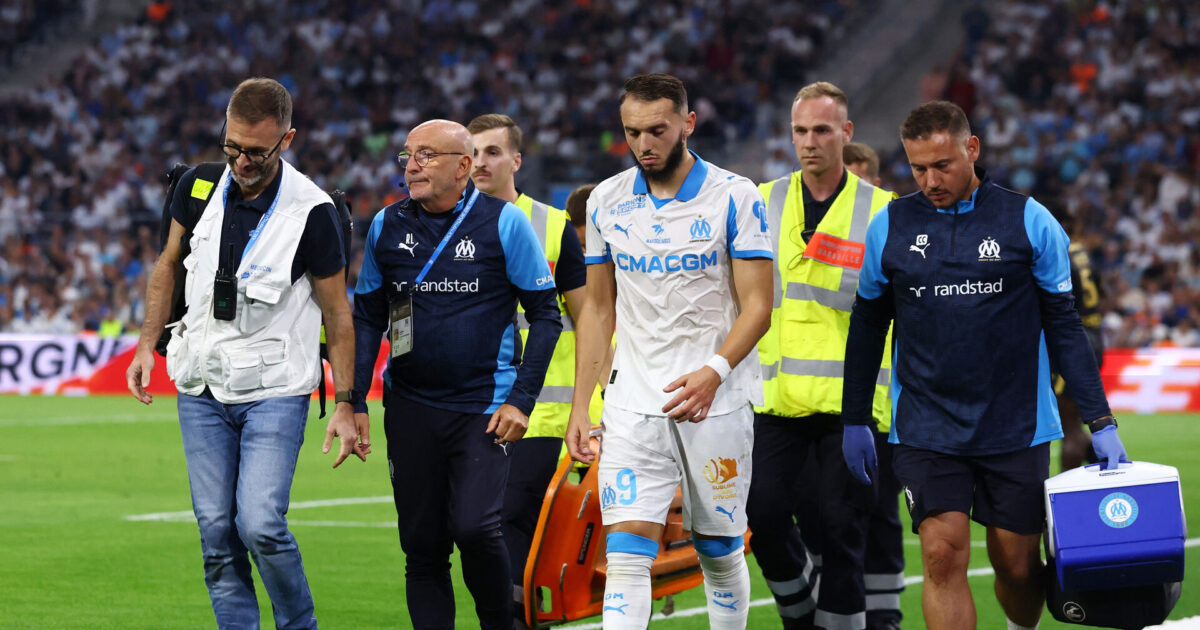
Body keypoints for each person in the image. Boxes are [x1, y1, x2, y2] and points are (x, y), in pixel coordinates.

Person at [841, 101, 1129, 630]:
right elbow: (866, 328)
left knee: (1017, 566)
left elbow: (1066, 328)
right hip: (926, 425)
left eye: (942, 165)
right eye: (918, 168)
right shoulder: (890, 226)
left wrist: (1100, 421)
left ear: (971, 149)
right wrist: (853, 416)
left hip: (1015, 424)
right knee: (941, 556)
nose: (930, 181)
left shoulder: (1029, 220)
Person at [125, 77, 365, 630]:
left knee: (260, 524)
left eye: (257, 151)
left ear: (287, 139)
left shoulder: (314, 211)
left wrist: (347, 402)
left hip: (275, 391)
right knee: (215, 531)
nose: (241, 162)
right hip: (201, 386)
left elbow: (337, 314)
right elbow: (168, 265)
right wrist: (144, 346)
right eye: (232, 147)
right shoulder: (196, 186)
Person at [565, 73, 774, 630]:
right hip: (633, 403)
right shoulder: (606, 201)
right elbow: (598, 311)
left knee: (719, 549)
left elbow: (758, 306)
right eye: (632, 132)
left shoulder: (735, 196)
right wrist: (581, 405)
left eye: (657, 130)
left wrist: (714, 372)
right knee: (626, 554)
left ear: (688, 123)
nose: (644, 144)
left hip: (716, 403)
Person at [349, 119, 562, 629]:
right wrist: (353, 400)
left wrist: (521, 400)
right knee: (422, 547)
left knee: (474, 528)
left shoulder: (505, 223)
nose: (411, 166)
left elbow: (546, 315)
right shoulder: (386, 225)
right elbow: (368, 317)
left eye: (426, 155)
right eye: (407, 155)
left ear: (463, 166)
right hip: (410, 407)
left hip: (483, 408)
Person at [747, 82, 896, 630]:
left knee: (843, 532)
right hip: (775, 400)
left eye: (822, 130)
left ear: (846, 133)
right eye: (800, 131)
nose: (809, 142)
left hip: (850, 407)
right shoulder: (760, 201)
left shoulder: (882, 212)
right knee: (761, 516)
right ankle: (799, 614)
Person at [464, 112, 591, 623]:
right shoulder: (447, 223)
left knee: (510, 519)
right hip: (474, 407)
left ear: (516, 160)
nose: (480, 163)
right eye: (472, 153)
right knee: (477, 529)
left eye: (492, 152)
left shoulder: (553, 227)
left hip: (542, 412)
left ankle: (517, 616)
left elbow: (590, 322)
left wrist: (590, 404)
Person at [842, 140, 907, 630]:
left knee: (882, 512)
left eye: (861, 181)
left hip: (887, 404)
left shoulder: (897, 234)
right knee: (829, 515)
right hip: (827, 403)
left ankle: (884, 616)